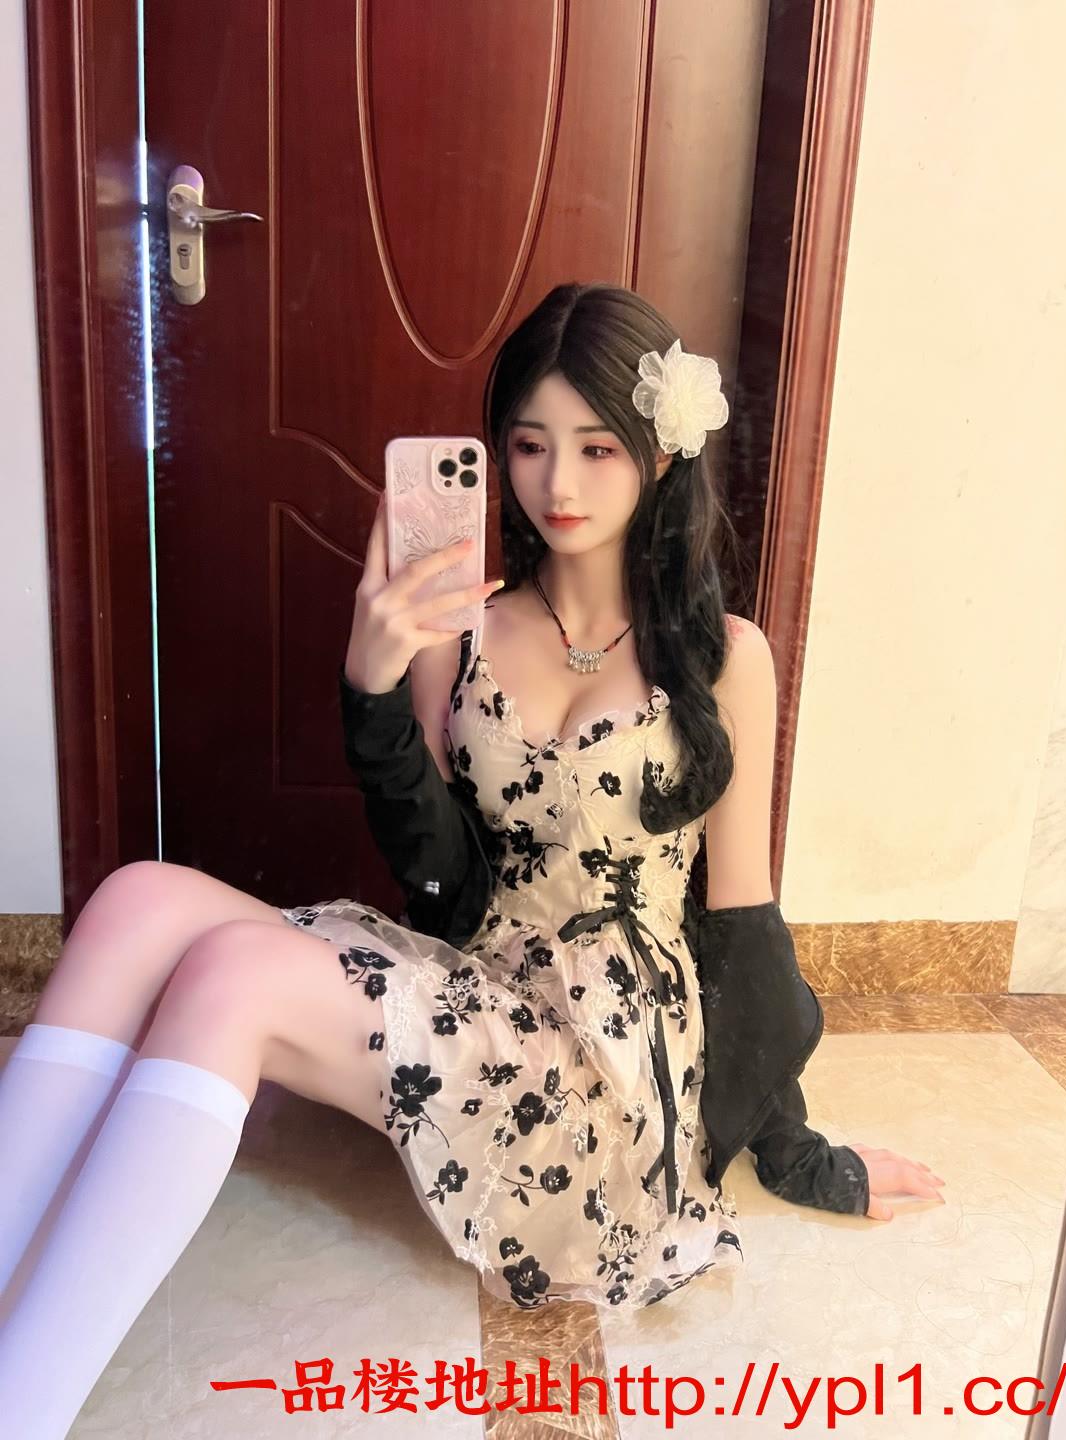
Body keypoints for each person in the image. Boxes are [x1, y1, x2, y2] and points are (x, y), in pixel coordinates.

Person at [0, 282, 943, 1434]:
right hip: (480, 981)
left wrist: (792, 1145)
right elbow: (440, 873)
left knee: (230, 977)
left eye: (598, 448)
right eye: (531, 446)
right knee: (137, 898)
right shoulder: (463, 630)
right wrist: (373, 684)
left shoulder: (723, 657)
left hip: (606, 1070)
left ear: (659, 454)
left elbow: (743, 917)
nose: (559, 484)